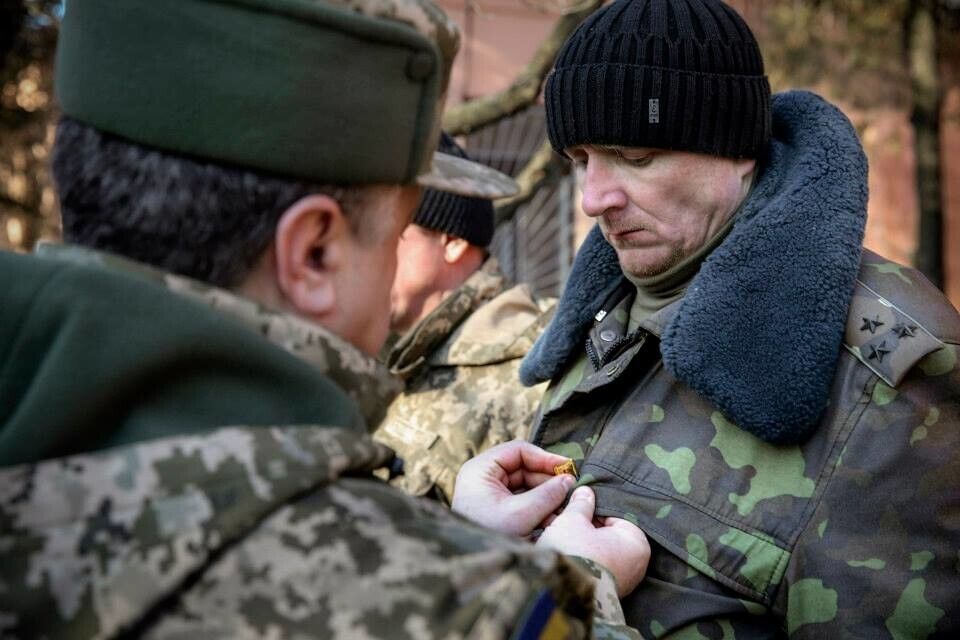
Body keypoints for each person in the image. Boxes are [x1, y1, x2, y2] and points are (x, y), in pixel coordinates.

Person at [0, 0, 650, 637]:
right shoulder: (466, 610)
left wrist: (458, 534)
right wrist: (576, 584)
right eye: (393, 234)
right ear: (314, 253)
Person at [519, 0, 960, 636]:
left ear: (737, 151)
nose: (593, 199)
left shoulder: (884, 384)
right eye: (581, 159)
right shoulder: (600, 318)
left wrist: (566, 598)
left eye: (634, 155)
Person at [377, 132, 555, 503]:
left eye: (388, 236)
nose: (368, 258)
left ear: (452, 242)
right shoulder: (384, 350)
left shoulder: (530, 373)